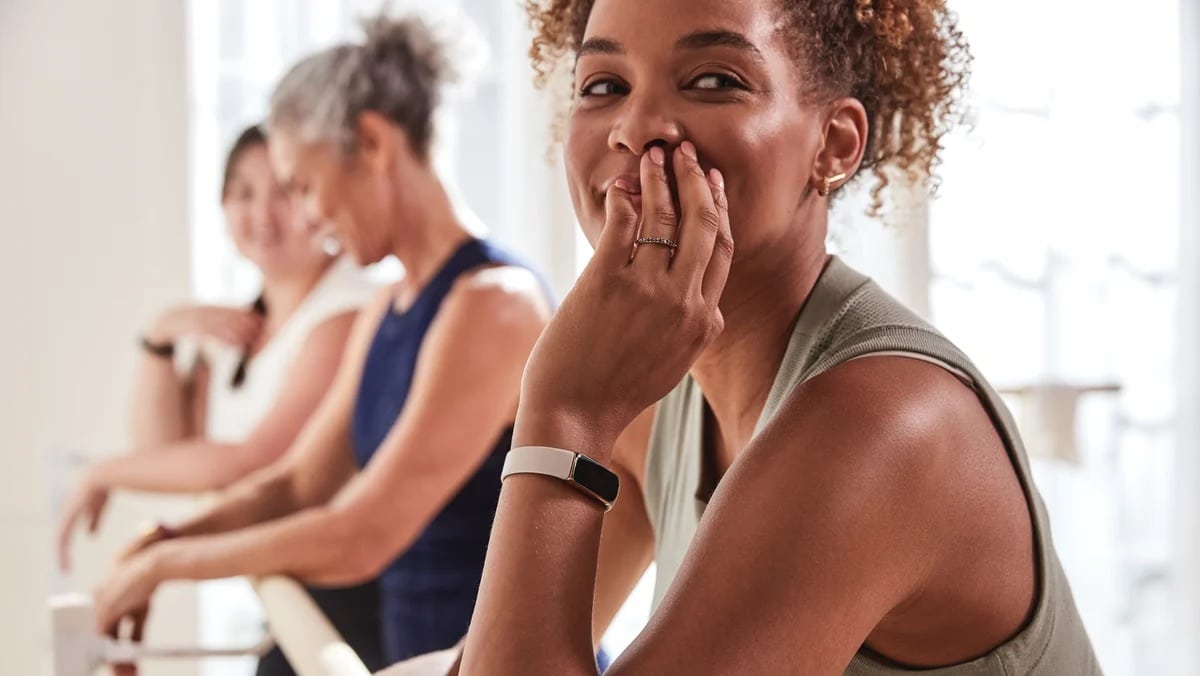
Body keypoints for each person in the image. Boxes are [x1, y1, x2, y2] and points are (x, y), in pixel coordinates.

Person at [456, 0, 1102, 674]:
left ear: (835, 144)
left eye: (713, 80)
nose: (635, 126)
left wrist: (561, 407)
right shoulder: (658, 411)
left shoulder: (882, 426)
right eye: (603, 86)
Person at [87, 13, 554, 671]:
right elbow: (298, 484)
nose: (307, 216)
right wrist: (162, 541)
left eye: (303, 184)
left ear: (371, 142)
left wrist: (170, 566)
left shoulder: (493, 305)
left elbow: (363, 533)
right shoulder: (385, 307)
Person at [56, 124, 383, 675]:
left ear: (315, 198)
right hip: (285, 585)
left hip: (354, 590)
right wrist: (160, 339)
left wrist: (102, 474)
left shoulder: (350, 309)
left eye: (284, 190)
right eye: (242, 193)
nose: (262, 213)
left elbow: (261, 461)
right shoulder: (237, 330)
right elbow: (168, 454)